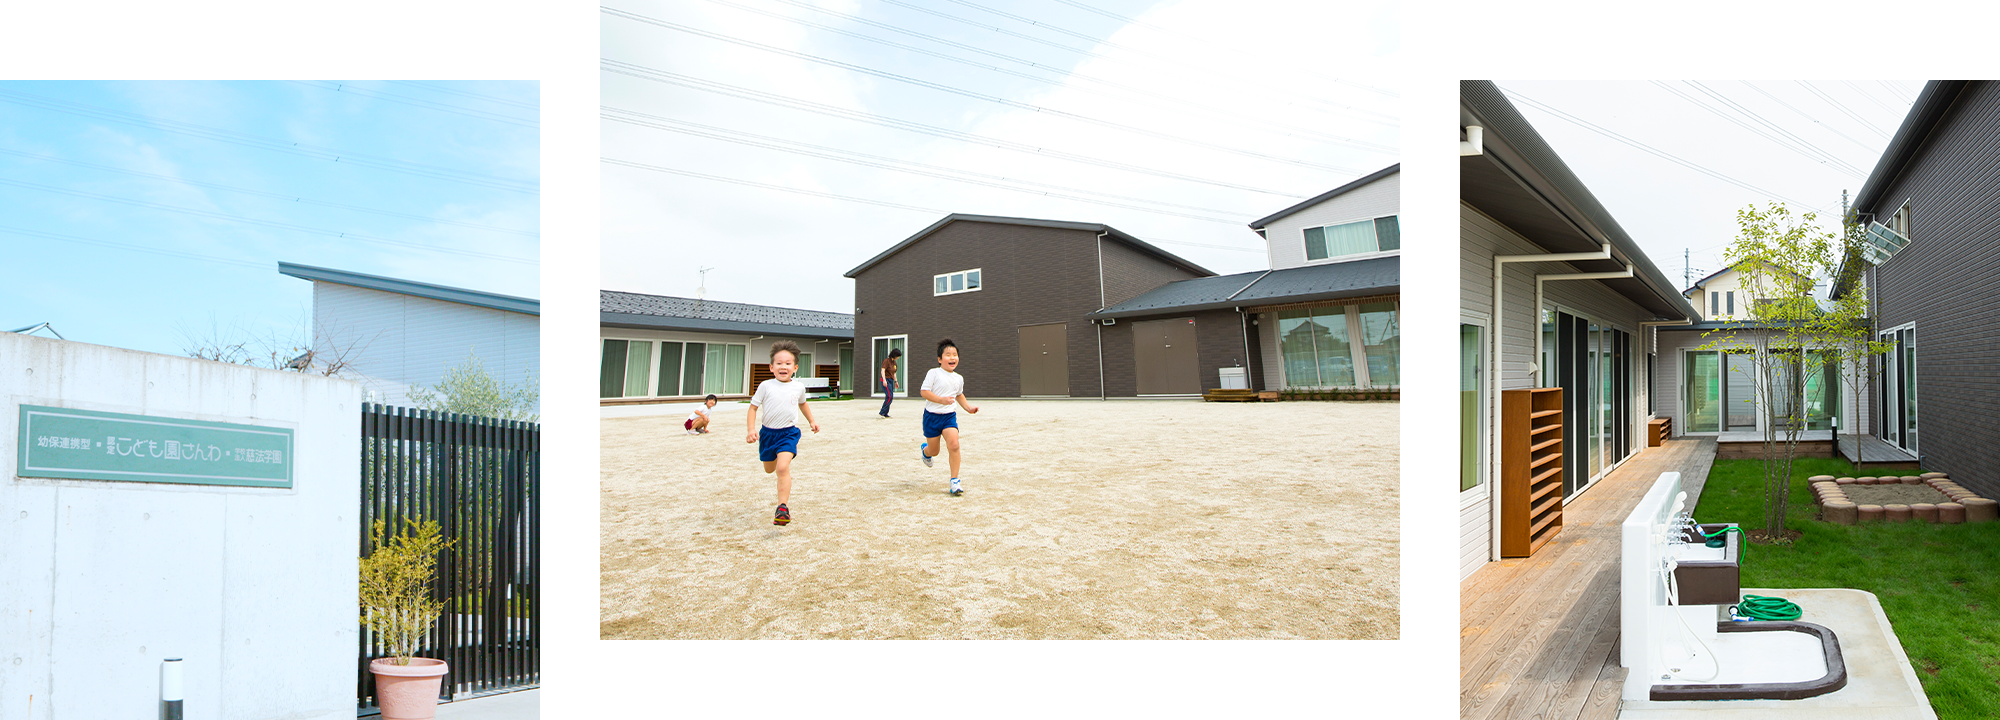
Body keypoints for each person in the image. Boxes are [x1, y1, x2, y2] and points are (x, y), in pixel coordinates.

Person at [746, 341, 820, 525]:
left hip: (789, 433)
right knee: (769, 468)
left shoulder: (798, 387)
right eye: (779, 363)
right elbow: (753, 408)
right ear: (771, 367)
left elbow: (803, 404)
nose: (783, 367)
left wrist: (811, 420)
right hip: (768, 435)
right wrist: (751, 430)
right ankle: (774, 467)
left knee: (782, 468)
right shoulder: (765, 386)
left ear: (795, 367)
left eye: (788, 363)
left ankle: (782, 507)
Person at [917, 338, 978, 496]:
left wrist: (968, 408)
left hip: (949, 417)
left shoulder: (958, 378)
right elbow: (924, 392)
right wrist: (940, 400)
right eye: (948, 355)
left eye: (955, 355)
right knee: (935, 451)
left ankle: (955, 480)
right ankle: (926, 451)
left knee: (954, 445)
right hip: (932, 417)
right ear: (939, 359)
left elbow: (959, 395)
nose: (952, 358)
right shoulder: (934, 373)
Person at [878, 347, 902, 418]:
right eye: (897, 356)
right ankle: (882, 412)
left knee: (889, 396)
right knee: (889, 396)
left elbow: (894, 373)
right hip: (886, 380)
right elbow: (883, 371)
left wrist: (896, 381)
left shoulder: (894, 363)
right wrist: (884, 380)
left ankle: (885, 413)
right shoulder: (886, 361)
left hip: (891, 380)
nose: (898, 358)